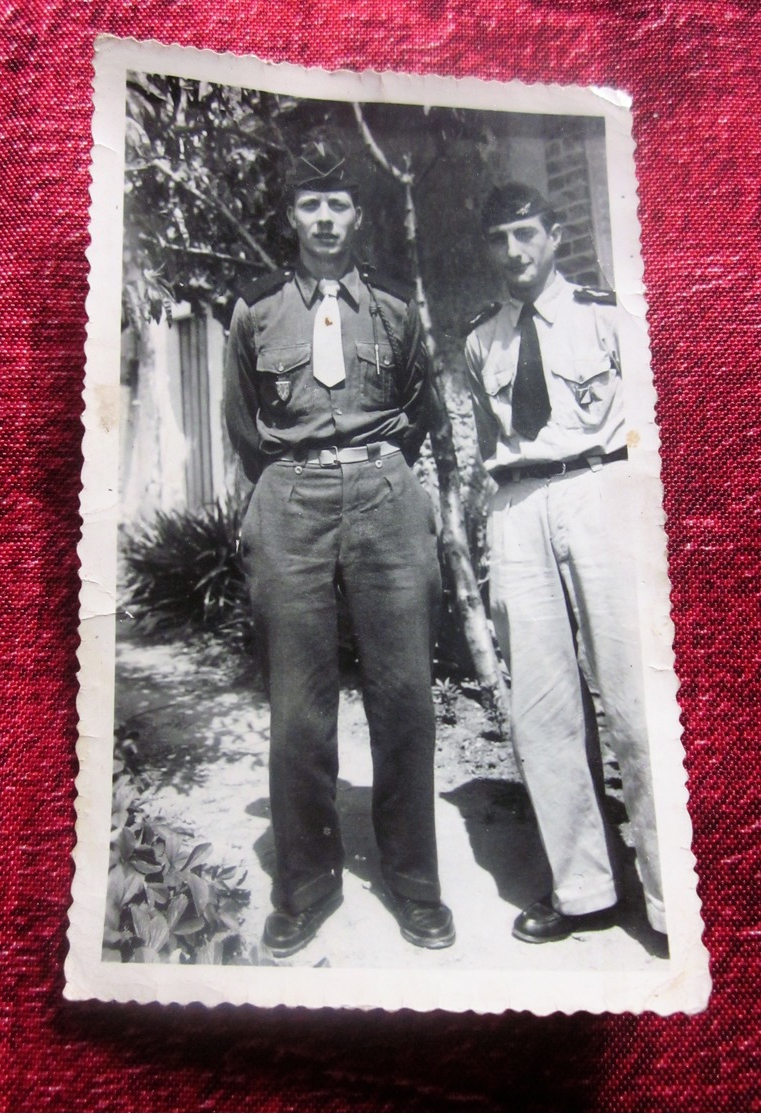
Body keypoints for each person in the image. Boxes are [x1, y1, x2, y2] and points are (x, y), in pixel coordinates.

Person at [224, 137, 455, 958]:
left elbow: (421, 401)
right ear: (291, 217)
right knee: (298, 707)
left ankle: (414, 883)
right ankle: (306, 886)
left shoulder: (393, 305)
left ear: (357, 216)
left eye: (338, 205)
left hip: (385, 496)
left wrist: (380, 467)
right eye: (309, 205)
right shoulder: (254, 310)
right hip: (292, 498)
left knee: (404, 700)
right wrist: (287, 485)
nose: (324, 219)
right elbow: (242, 423)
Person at [464, 182, 666, 943]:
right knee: (543, 706)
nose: (512, 253)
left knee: (630, 693)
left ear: (553, 237)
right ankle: (581, 889)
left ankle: (667, 897)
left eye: (525, 234)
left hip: (600, 489)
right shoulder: (481, 338)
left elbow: (653, 421)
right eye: (498, 239)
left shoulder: (606, 316)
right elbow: (493, 435)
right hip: (516, 506)